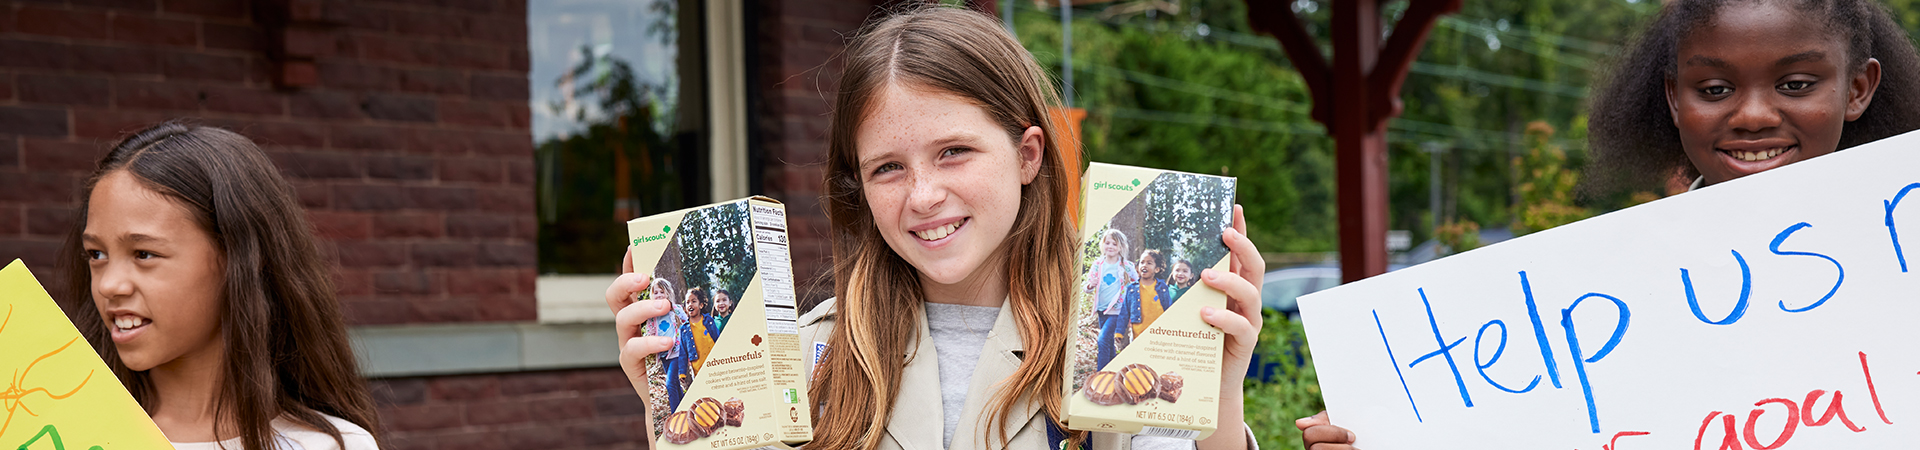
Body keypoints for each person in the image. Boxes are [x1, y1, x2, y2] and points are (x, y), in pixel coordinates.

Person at [605, 6, 1266, 450]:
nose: (923, 194)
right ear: (859, 188)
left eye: (954, 151)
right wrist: (672, 411)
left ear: (1029, 155)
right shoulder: (801, 356)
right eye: (887, 167)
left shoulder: (1117, 345)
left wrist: (1221, 402)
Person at [1302, 0, 1920, 448]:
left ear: (1859, 88)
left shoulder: (1905, 259)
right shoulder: (1596, 295)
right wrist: (1388, 435)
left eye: (1795, 84)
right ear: (1676, 100)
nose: (1753, 114)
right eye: (1714, 88)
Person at [59, 122, 380, 450]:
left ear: (241, 257)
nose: (109, 285)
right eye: (96, 254)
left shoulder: (325, 446)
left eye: (144, 253)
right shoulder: (52, 430)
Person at [1085, 229, 1138, 368]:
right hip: (1102, 309)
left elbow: (1137, 287)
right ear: (1103, 244)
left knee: (1102, 340)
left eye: (1114, 244)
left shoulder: (1127, 266)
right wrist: (1091, 285)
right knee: (1108, 343)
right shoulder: (1098, 265)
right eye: (1107, 243)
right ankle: (1113, 370)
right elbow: (1087, 287)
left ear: (1121, 247)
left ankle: (1100, 376)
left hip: (1118, 310)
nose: (1110, 246)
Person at [649, 278, 694, 410]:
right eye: (655, 292)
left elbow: (687, 324)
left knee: (670, 384)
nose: (658, 295)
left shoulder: (675, 309)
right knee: (674, 383)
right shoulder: (652, 315)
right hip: (663, 353)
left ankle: (676, 416)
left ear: (668, 293)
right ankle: (685, 410)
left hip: (677, 351)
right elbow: (651, 332)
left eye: (661, 292)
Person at [1127, 249, 1172, 338]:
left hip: (1157, 332)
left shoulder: (1162, 288)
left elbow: (1168, 307)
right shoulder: (1132, 288)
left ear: (1157, 269)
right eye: (1142, 262)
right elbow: (1126, 310)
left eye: (1149, 263)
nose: (1144, 265)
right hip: (1137, 332)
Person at [683, 287, 716, 374]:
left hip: (714, 363)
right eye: (687, 302)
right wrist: (682, 372)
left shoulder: (709, 321)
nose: (690, 304)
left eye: (694, 301)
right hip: (698, 369)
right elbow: (682, 352)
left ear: (701, 305)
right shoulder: (684, 329)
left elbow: (717, 337)